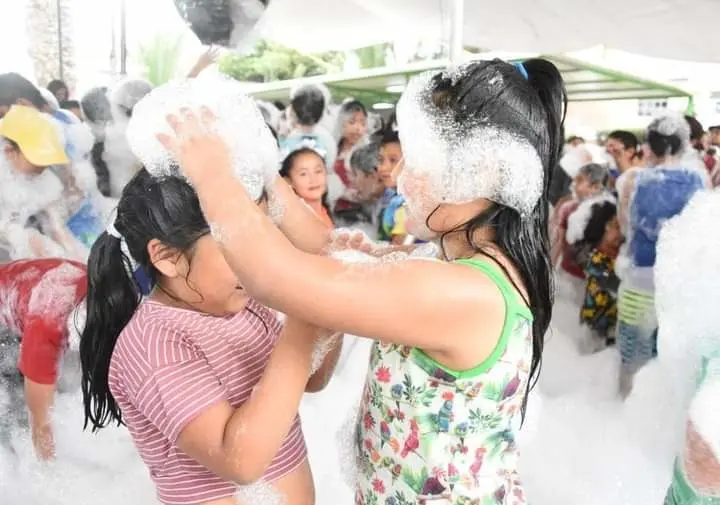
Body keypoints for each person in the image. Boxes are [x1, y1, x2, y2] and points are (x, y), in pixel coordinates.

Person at [156, 57, 565, 504]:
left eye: (418, 155)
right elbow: (333, 249)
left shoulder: (465, 294)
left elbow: (275, 278)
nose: (397, 176)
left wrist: (212, 175)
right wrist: (258, 167)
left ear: (483, 171)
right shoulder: (447, 262)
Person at [80, 169, 343, 505]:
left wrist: (328, 305)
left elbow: (312, 377)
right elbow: (240, 460)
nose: (260, 262)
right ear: (167, 257)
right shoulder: (154, 344)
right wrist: (303, 319)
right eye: (239, 246)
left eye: (265, 239)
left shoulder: (245, 305)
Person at [616, 114, 706, 396]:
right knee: (670, 358)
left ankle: (625, 412)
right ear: (683, 145)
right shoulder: (697, 181)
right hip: (678, 284)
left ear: (649, 146)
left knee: (632, 356)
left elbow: (624, 227)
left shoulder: (634, 180)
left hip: (639, 280)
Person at [0, 258, 87, 461]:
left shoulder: (113, 290)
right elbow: (40, 425)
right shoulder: (47, 328)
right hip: (8, 323)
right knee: (15, 419)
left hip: (26, 282)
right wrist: (52, 480)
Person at [0, 104, 88, 261]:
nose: (44, 167)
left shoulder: (46, 180)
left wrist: (80, 260)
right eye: (38, 161)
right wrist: (25, 238)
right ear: (10, 152)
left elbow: (57, 227)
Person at [572, 200, 623, 350]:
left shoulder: (615, 258)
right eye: (616, 227)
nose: (620, 235)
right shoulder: (596, 260)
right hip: (593, 327)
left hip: (607, 328)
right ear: (606, 227)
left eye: (623, 230)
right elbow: (613, 285)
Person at [279, 145, 334, 229]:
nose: (313, 179)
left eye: (318, 171)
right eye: (303, 174)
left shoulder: (324, 212)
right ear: (288, 181)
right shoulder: (294, 222)